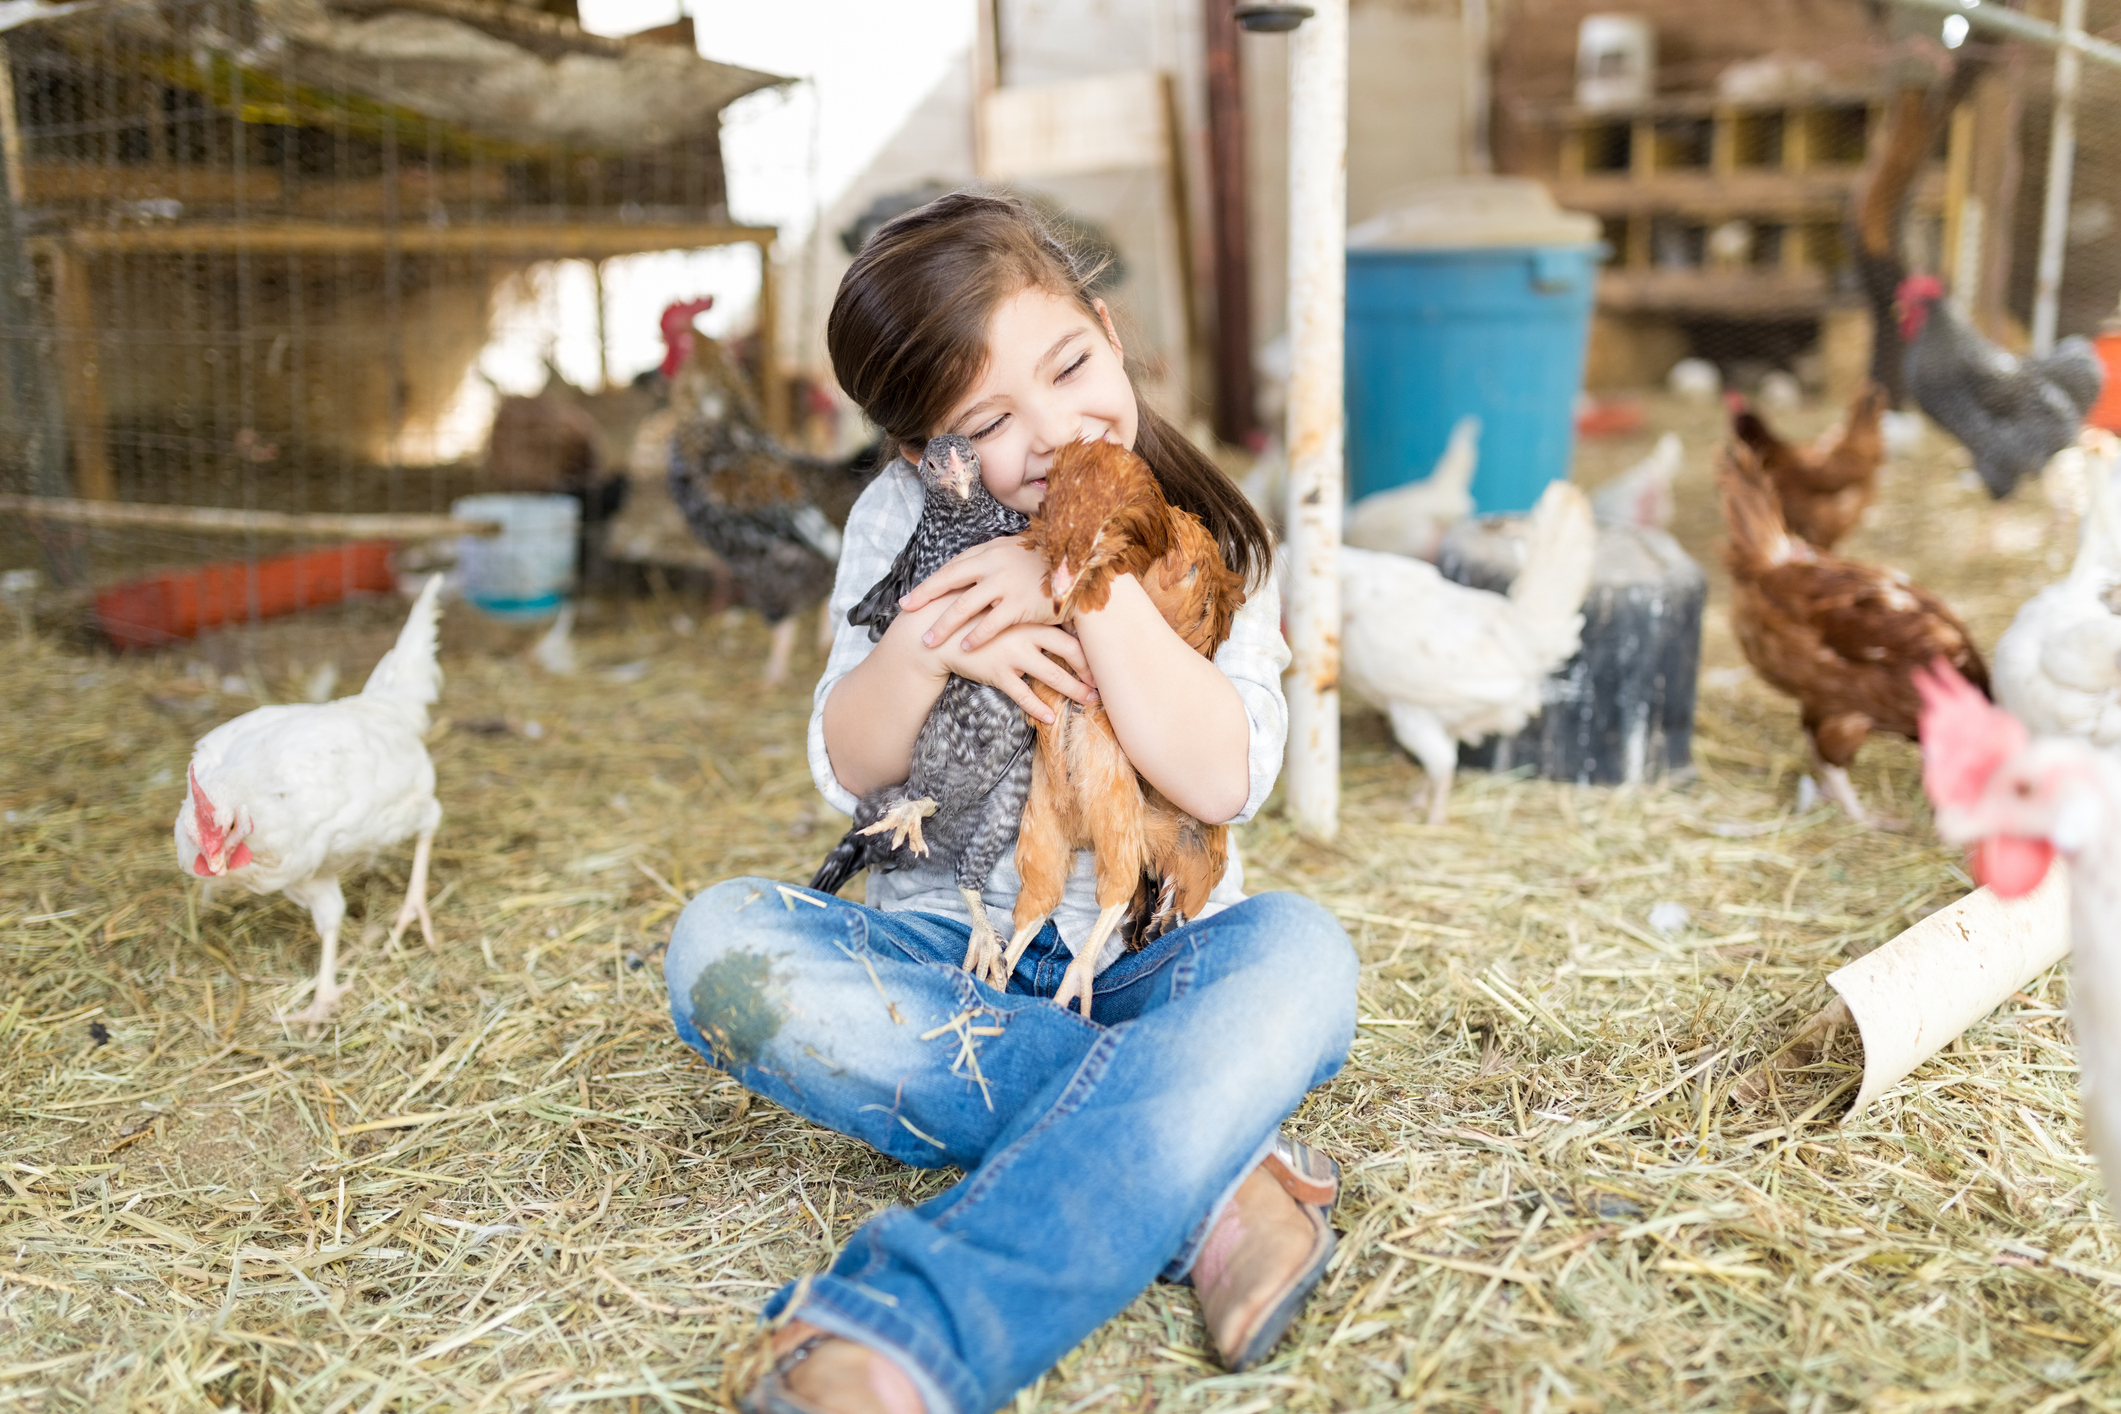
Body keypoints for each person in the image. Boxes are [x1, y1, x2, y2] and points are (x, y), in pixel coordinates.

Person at [664, 191, 1357, 1414]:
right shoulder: (900, 521)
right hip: (951, 955)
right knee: (721, 946)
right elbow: (850, 762)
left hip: (1151, 959)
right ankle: (1208, 1163)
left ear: (1105, 324)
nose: (1049, 432)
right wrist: (926, 643)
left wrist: (1085, 583)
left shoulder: (1208, 530)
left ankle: (913, 1331)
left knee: (1302, 956)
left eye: (1072, 365)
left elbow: (1223, 777)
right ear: (919, 451)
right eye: (988, 421)